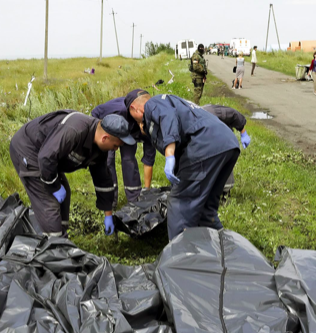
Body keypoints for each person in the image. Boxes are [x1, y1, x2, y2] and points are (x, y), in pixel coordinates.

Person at [126, 93, 240, 239]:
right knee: (206, 208)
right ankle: (222, 249)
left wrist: (169, 153)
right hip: (227, 144)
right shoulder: (176, 102)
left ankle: (181, 257)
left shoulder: (153, 103)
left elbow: (167, 117)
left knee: (180, 204)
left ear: (135, 108)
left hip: (204, 146)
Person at [9, 111, 134, 237]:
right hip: (29, 149)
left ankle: (61, 237)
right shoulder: (74, 131)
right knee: (49, 200)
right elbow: (46, 158)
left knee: (65, 192)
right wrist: (55, 186)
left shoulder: (100, 148)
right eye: (115, 145)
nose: (116, 149)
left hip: (48, 156)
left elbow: (103, 179)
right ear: (105, 138)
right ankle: (54, 246)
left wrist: (108, 215)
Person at [91, 89, 151, 204]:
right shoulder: (117, 110)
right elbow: (95, 115)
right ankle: (110, 199)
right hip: (108, 125)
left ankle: (134, 199)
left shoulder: (149, 120)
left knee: (128, 159)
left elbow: (149, 157)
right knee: (108, 160)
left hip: (131, 127)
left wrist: (147, 190)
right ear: (134, 108)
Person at [201, 104, 251, 195]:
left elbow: (234, 114)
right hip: (208, 142)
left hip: (225, 140)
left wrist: (243, 132)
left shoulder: (214, 112)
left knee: (223, 161)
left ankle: (225, 193)